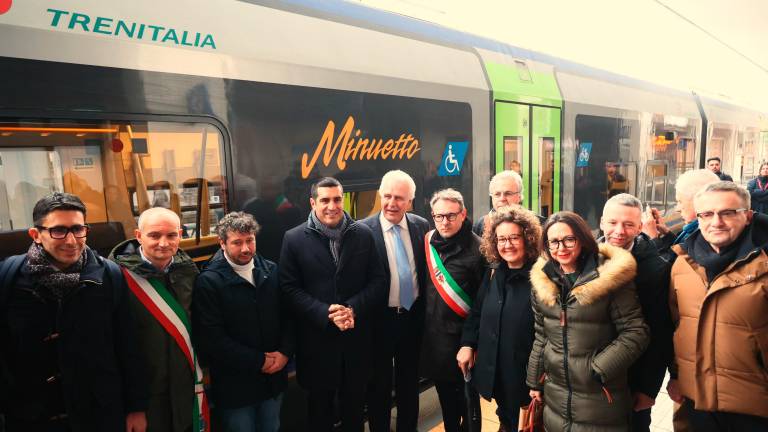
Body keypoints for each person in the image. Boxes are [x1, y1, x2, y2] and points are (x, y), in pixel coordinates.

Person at [0, 192, 147, 431]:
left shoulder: (108, 275)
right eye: (59, 230)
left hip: (98, 413)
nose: (71, 241)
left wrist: (136, 408)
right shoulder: (9, 277)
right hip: (31, 415)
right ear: (36, 235)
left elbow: (128, 344)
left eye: (78, 229)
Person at [279, 177, 386, 432]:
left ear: (343, 200)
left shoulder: (363, 234)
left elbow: (378, 281)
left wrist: (352, 308)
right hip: (316, 345)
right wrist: (324, 312)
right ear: (313, 203)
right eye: (325, 200)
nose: (332, 206)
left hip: (356, 343)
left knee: (354, 412)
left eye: (337, 199)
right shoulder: (293, 239)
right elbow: (288, 288)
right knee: (319, 413)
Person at [527, 211, 649, 431]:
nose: (561, 248)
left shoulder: (609, 277)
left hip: (600, 398)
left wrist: (597, 369)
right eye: (553, 242)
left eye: (569, 239)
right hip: (555, 395)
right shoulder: (543, 281)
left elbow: (636, 332)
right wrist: (534, 381)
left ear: (582, 239)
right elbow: (541, 335)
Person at [667, 181, 768, 430]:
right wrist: (677, 376)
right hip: (697, 402)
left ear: (748, 216)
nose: (716, 222)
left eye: (727, 213)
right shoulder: (683, 263)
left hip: (755, 409)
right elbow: (675, 325)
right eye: (707, 214)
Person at [193, 212, 293, 432]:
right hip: (236, 388)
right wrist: (259, 361)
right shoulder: (208, 282)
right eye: (237, 242)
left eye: (250, 240)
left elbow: (288, 317)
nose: (246, 248)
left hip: (273, 381)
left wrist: (285, 352)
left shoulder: (271, 270)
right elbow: (213, 339)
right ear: (222, 243)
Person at [109, 207, 206, 432]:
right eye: (154, 235)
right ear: (138, 235)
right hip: (144, 400)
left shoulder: (190, 273)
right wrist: (132, 407)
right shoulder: (116, 277)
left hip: (184, 393)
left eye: (171, 235)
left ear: (181, 235)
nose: (163, 243)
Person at [641, 168, 718, 432]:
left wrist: (652, 239)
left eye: (680, 199)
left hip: (700, 372)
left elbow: (674, 272)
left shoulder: (704, 234)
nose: (678, 206)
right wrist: (666, 236)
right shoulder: (690, 231)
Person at [457, 206, 541, 431]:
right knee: (506, 418)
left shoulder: (542, 277)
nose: (507, 244)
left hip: (526, 377)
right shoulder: (494, 272)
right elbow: (477, 312)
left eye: (514, 237)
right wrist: (467, 343)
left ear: (528, 239)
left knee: (524, 424)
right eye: (501, 239)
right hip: (497, 371)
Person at [360, 171, 429, 432]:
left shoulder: (421, 226)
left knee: (409, 383)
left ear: (410, 201)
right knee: (378, 385)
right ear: (380, 195)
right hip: (379, 322)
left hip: (412, 318)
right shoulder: (362, 231)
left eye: (399, 198)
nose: (391, 203)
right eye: (387, 196)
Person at [599, 194, 674, 432]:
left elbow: (661, 332)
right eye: (612, 223)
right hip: (590, 378)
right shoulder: (584, 257)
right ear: (602, 222)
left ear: (640, 226)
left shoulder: (656, 269)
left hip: (632, 378)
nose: (619, 231)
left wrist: (648, 389)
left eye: (629, 224)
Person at [420, 188, 484, 432]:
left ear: (463, 214)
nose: (444, 222)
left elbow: (482, 304)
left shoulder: (478, 250)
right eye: (439, 216)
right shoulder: (427, 242)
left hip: (464, 344)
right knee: (447, 405)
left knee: (469, 405)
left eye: (450, 215)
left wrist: (473, 343)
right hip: (436, 343)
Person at [473, 170, 543, 236]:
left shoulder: (538, 223)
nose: (502, 199)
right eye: (497, 194)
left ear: (519, 196)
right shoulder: (480, 225)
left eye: (508, 193)